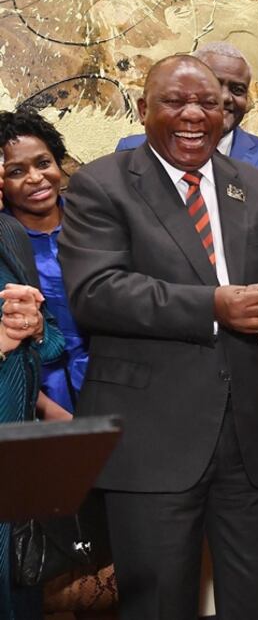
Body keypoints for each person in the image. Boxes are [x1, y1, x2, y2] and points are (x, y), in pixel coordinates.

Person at [58, 54, 258, 620]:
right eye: (176, 102)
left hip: (249, 433)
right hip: (152, 437)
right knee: (157, 604)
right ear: (146, 109)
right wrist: (215, 307)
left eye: (210, 103)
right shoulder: (100, 185)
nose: (194, 114)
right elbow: (97, 291)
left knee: (253, 602)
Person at [116, 42, 258, 282]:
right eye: (214, 84)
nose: (225, 97)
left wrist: (252, 300)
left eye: (237, 89)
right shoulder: (132, 152)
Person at [0, 166, 66, 619]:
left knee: (19, 589)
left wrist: (36, 327)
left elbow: (54, 343)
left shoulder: (9, 231)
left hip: (16, 454)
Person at [0, 110, 87, 420]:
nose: (35, 178)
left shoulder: (93, 221)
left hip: (108, 378)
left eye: (43, 163)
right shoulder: (5, 244)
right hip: (37, 392)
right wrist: (50, 411)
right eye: (16, 171)